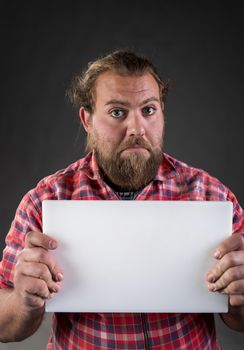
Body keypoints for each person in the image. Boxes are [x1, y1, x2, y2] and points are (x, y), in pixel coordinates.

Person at [0, 50, 243, 350]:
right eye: (117, 112)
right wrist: (24, 299)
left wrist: (240, 294)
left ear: (162, 112)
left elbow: (239, 319)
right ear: (87, 119)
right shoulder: (45, 201)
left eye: (149, 110)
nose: (137, 129)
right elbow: (5, 327)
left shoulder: (213, 197)